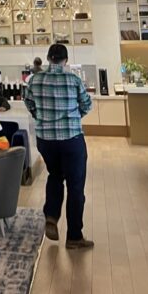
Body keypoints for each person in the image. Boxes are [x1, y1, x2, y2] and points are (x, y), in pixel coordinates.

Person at [25, 43, 93, 250]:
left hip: (46, 140)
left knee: (55, 175)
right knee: (75, 186)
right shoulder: (73, 79)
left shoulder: (35, 80)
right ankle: (74, 236)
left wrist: (44, 119)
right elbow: (87, 104)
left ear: (48, 58)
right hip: (71, 139)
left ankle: (52, 216)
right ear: (65, 60)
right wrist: (72, 118)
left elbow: (29, 104)